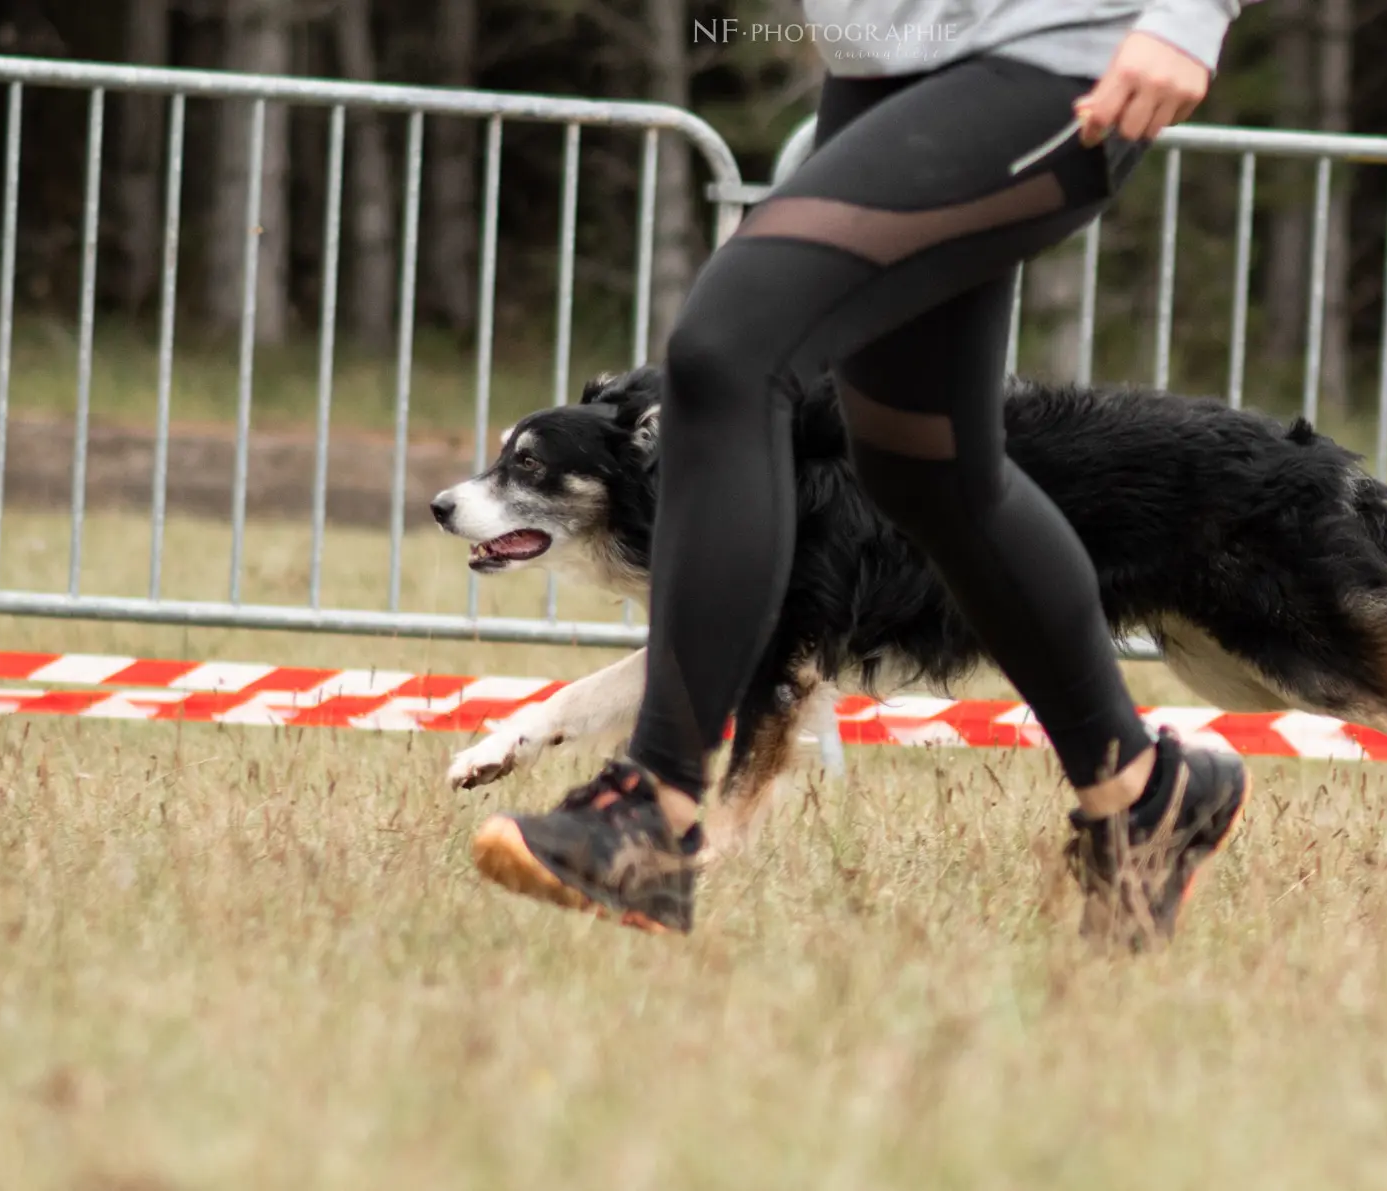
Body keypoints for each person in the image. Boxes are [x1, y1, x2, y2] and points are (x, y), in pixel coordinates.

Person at [470, 0, 1261, 949]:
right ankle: (1145, 793)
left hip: (1062, 48)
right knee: (926, 467)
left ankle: (652, 808)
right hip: (894, 54)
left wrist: (1191, 13)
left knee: (728, 353)